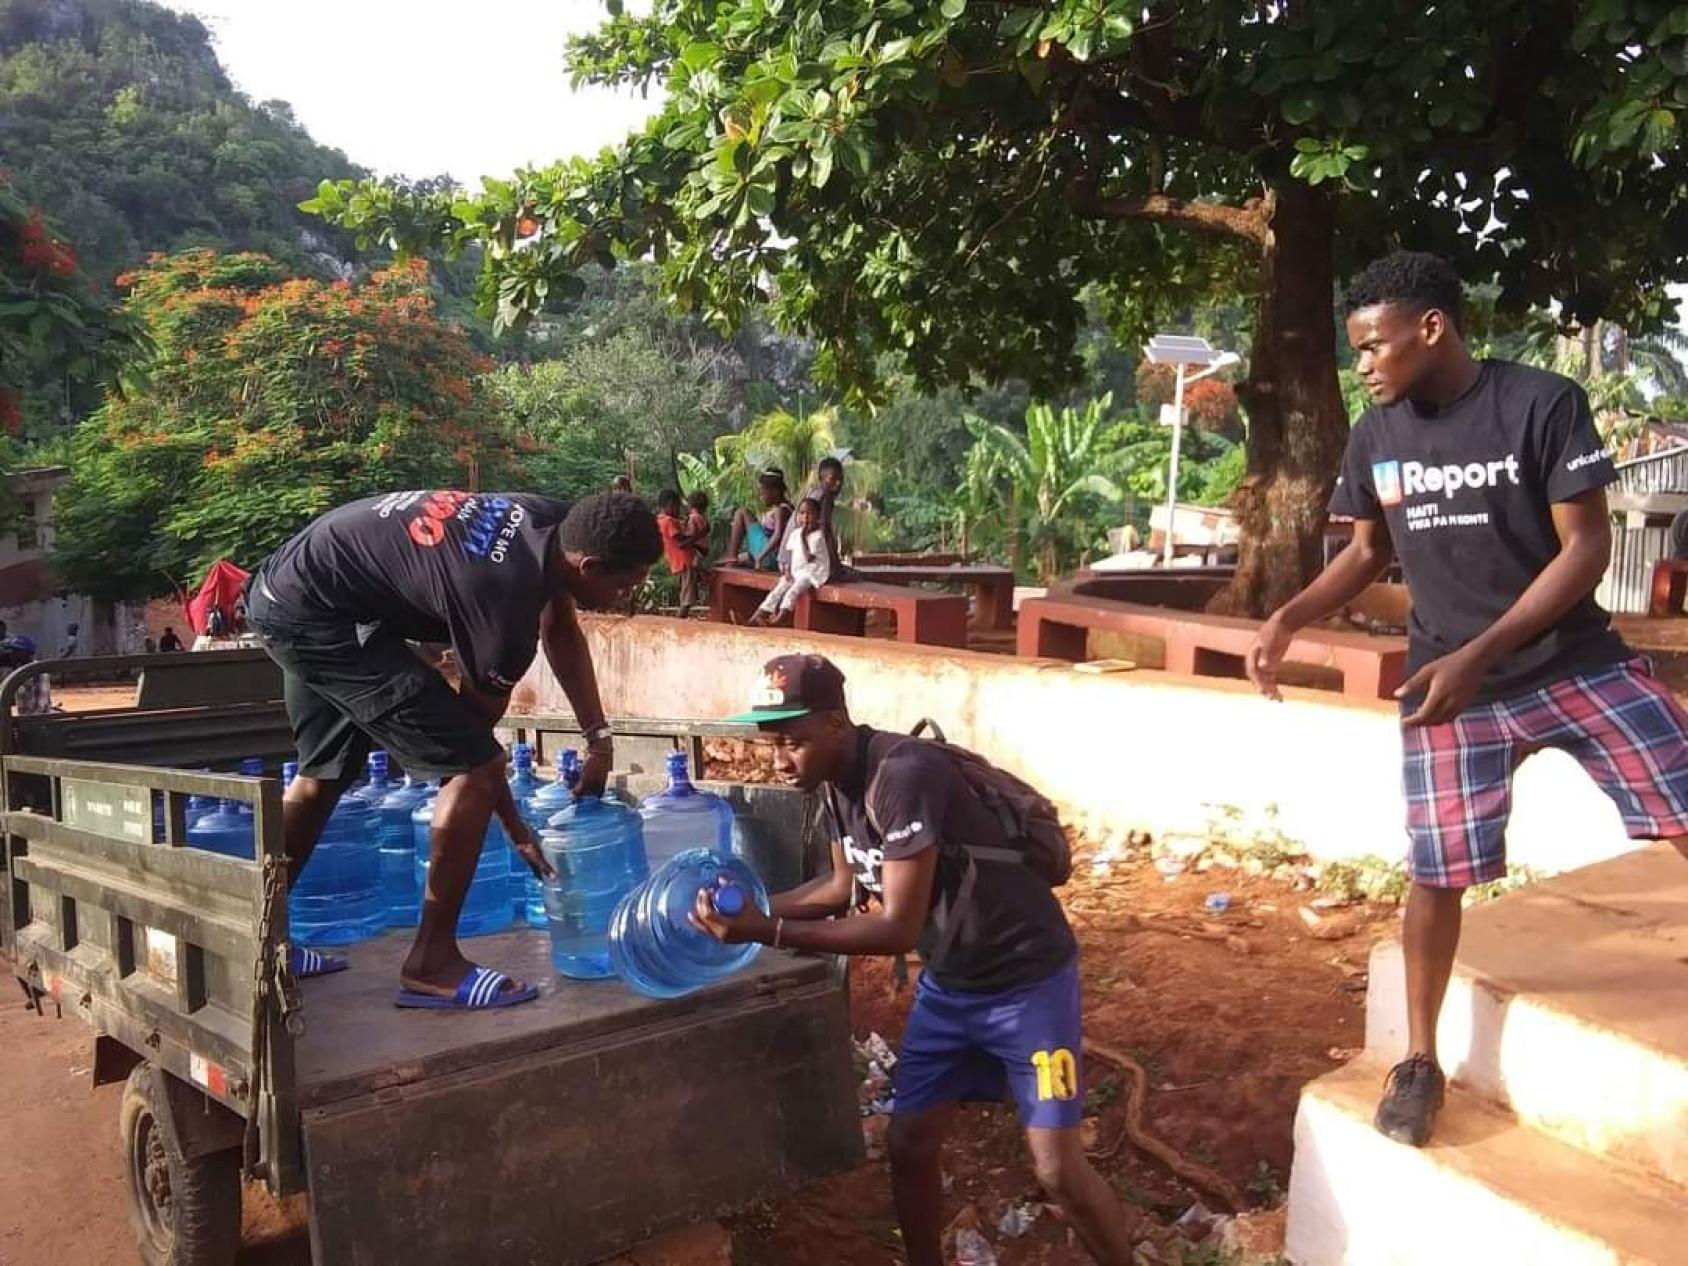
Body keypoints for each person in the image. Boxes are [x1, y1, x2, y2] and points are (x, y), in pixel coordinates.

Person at [1245, 251, 1688, 1147]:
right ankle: (1420, 1061)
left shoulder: (1540, 403)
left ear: (1432, 328)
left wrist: (1483, 652)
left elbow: (1586, 549)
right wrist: (1287, 616)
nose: (1362, 365)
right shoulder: (1377, 435)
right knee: (1435, 873)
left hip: (1574, 664)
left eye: (1373, 346)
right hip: (1448, 688)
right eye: (1356, 349)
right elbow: (1367, 553)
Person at [694, 654, 1138, 1266]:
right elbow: (840, 887)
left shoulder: (903, 774)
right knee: (908, 1145)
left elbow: (896, 926)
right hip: (951, 988)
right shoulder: (834, 783)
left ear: (836, 724)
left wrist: (764, 930)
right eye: (773, 744)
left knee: (1057, 1169)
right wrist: (751, 908)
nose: (780, 760)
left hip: (1027, 986)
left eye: (793, 742)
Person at [246, 490, 661, 1008]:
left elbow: (561, 626)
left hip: (299, 586)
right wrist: (515, 827)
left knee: (323, 774)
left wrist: (598, 742)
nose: (626, 598)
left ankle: (252, 937)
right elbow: (472, 750)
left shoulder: (558, 522)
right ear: (589, 566)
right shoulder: (503, 608)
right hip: (313, 615)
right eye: (625, 586)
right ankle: (431, 962)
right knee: (476, 769)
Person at [750, 498, 829, 627]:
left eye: (810, 514)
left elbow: (808, 558)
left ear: (818, 517)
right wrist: (787, 570)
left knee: (792, 592)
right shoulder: (795, 533)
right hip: (797, 572)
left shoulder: (818, 536)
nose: (805, 518)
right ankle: (753, 619)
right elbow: (792, 555)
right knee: (778, 589)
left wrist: (803, 537)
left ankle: (776, 621)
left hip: (812, 573)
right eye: (802, 513)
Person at [786, 456, 847, 575]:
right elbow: (825, 532)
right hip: (797, 562)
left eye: (840, 479)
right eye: (832, 479)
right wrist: (837, 565)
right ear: (821, 479)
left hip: (787, 560)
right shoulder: (825, 497)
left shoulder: (813, 493)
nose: (838, 483)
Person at [725, 468, 794, 570]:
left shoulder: (780, 510)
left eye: (762, 492)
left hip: (770, 557)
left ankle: (731, 559)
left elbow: (777, 535)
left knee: (742, 512)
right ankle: (733, 559)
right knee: (735, 559)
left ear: (775, 491)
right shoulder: (785, 508)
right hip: (770, 556)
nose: (760, 496)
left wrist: (760, 557)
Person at [656, 490, 707, 619]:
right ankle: (678, 623)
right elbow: (681, 543)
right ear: (670, 504)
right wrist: (701, 533)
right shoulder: (668, 521)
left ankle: (679, 621)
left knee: (687, 596)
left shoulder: (661, 521)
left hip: (682, 563)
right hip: (685, 562)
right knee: (686, 601)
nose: (679, 510)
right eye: (677, 507)